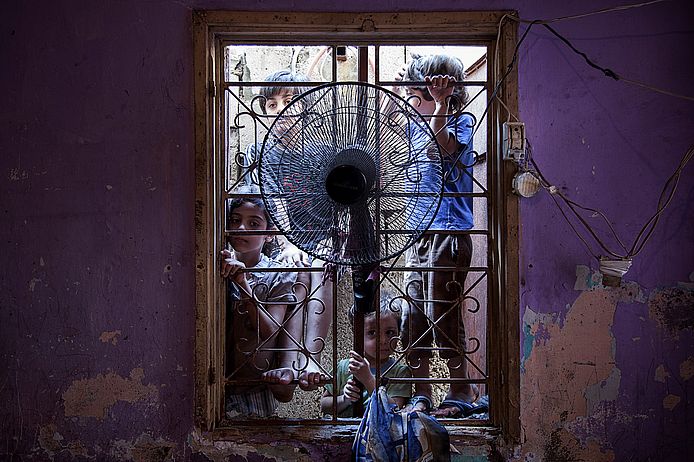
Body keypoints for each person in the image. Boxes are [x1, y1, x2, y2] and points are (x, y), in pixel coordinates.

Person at [398, 54, 488, 418]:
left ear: (441, 92)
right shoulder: (412, 127)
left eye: (413, 93)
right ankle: (422, 393)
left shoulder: (460, 122)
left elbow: (443, 147)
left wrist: (440, 105)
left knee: (444, 315)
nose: (407, 100)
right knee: (414, 315)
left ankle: (460, 390)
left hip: (448, 234)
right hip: (419, 235)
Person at [235, 70, 335, 393]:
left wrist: (326, 243)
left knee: (322, 264)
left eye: (290, 101)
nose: (283, 111)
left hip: (321, 243)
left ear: (306, 106)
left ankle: (311, 359)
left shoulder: (322, 152)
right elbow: (273, 202)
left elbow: (336, 206)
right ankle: (289, 365)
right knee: (295, 267)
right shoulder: (265, 155)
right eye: (274, 104)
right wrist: (291, 243)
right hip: (286, 244)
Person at [320, 294, 412, 417]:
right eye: (372, 332)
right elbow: (324, 406)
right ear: (358, 334)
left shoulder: (400, 372)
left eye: (390, 332)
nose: (383, 340)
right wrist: (345, 399)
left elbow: (393, 410)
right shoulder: (343, 367)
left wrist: (367, 379)